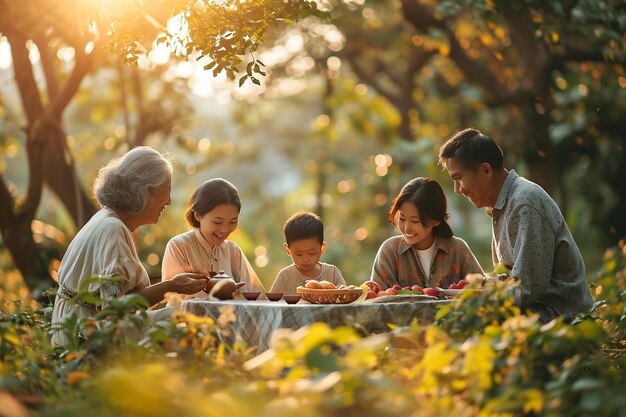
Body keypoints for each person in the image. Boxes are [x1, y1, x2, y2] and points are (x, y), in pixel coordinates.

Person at [51, 147, 209, 346]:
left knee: (179, 316)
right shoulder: (113, 229)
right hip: (86, 336)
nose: (168, 201)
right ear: (146, 190)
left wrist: (172, 287)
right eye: (166, 188)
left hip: (78, 324)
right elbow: (115, 309)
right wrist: (171, 286)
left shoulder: (107, 219)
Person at [438, 127, 594, 322]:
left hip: (560, 318)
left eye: (459, 178)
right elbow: (508, 278)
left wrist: (474, 304)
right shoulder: (502, 205)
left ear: (486, 170)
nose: (458, 190)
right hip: (534, 312)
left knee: (463, 323)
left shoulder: (524, 202)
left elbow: (527, 288)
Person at [370, 177, 484, 291]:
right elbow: (375, 300)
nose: (406, 228)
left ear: (435, 221)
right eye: (402, 218)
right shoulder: (389, 252)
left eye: (415, 221)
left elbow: (483, 292)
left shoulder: (458, 250)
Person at [161, 178, 265, 298]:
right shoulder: (179, 246)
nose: (225, 230)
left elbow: (257, 295)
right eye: (217, 222)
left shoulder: (232, 251)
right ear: (198, 215)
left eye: (232, 221)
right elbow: (174, 299)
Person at [269, 211, 346, 295]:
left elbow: (345, 298)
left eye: (312, 253)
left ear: (322, 249)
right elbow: (272, 305)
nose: (305, 259)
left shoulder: (332, 273)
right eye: (299, 254)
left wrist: (342, 290)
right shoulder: (285, 277)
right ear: (288, 250)